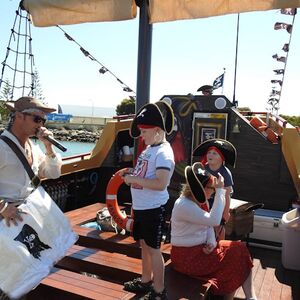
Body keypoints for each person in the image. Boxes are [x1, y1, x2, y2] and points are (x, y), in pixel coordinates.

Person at [0, 96, 77, 299]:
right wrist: (2, 207)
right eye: (36, 119)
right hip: (4, 221)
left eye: (43, 121)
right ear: (18, 117)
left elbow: (52, 173)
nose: (41, 125)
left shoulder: (33, 148)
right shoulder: (1, 147)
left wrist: (48, 147)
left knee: (21, 276)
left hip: (23, 222)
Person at [170, 162, 257, 300]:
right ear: (202, 188)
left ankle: (249, 297)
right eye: (212, 188)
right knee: (238, 251)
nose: (213, 191)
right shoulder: (184, 205)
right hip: (186, 258)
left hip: (198, 251)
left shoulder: (198, 201)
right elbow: (214, 220)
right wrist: (221, 191)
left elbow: (208, 225)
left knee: (238, 251)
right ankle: (250, 297)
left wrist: (211, 242)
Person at [122, 101, 175, 300]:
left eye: (144, 132)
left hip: (153, 209)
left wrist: (134, 179)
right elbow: (146, 174)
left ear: (157, 130)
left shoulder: (163, 153)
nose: (141, 136)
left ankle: (159, 290)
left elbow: (161, 183)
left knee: (154, 250)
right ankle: (145, 281)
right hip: (142, 207)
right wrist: (132, 174)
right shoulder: (150, 148)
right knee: (144, 245)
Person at [193, 138, 236, 240]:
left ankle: (219, 245)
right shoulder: (202, 168)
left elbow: (227, 194)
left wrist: (226, 212)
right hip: (204, 200)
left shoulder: (225, 173)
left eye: (214, 153)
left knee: (219, 225)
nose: (210, 155)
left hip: (219, 201)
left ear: (222, 159)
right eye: (209, 152)